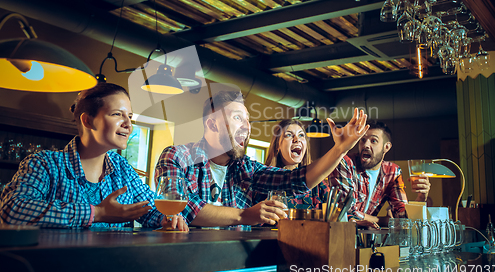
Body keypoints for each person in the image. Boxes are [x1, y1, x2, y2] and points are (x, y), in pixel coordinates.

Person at [154, 90, 369, 227]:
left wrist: (340, 149)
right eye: (238, 118)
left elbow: (296, 179)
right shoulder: (177, 156)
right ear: (212, 124)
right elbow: (180, 205)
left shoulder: (246, 168)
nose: (247, 127)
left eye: (248, 120)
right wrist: (244, 216)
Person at [0, 83, 187, 231]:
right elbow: (12, 209)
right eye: (117, 114)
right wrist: (96, 213)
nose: (128, 125)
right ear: (87, 120)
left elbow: (148, 209)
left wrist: (166, 218)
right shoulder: (44, 164)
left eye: (129, 116)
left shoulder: (122, 168)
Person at [330, 120, 431, 229]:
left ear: (386, 147)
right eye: (363, 140)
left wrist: (421, 197)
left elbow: (402, 218)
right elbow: (344, 212)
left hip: (366, 238)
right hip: (339, 233)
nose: (366, 145)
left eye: (373, 141)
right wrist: (384, 220)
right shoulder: (345, 162)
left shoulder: (393, 172)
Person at [263, 119, 329, 210]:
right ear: (277, 145)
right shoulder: (264, 179)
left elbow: (335, 212)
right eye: (289, 135)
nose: (297, 140)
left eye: (301, 135)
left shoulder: (318, 182)